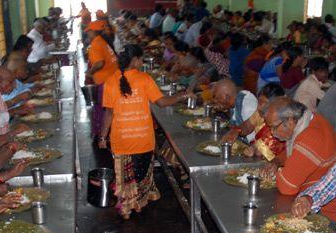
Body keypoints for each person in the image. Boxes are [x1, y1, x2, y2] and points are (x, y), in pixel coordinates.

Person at [98, 45, 191, 219]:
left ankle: (128, 207)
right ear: (134, 60)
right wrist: (182, 96)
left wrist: (103, 137)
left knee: (127, 176)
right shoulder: (144, 79)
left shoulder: (110, 81)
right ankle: (139, 203)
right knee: (141, 174)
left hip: (122, 141)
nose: (142, 63)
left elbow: (108, 113)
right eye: (141, 59)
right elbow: (162, 102)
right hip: (144, 140)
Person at [264, 98, 336, 220]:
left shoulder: (310, 137)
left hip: (324, 213)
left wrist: (279, 173)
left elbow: (286, 188)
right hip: (311, 201)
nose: (272, 133)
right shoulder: (310, 119)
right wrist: (276, 161)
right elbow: (294, 152)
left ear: (289, 121)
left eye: (273, 127)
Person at [86, 20, 118, 140]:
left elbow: (99, 63)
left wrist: (90, 72)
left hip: (105, 81)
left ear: (92, 32)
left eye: (88, 31)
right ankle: (107, 132)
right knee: (107, 108)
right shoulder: (103, 41)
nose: (87, 33)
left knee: (101, 108)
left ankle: (101, 133)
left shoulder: (96, 44)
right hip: (112, 79)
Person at [243, 83, 286, 162]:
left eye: (265, 103)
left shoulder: (282, 122)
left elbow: (261, 152)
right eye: (259, 102)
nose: (260, 107)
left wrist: (254, 148)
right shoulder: (261, 112)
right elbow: (246, 128)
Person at [212, 79, 260, 143]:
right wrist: (225, 110)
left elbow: (250, 130)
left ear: (227, 97)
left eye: (217, 98)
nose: (215, 101)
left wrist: (236, 131)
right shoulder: (233, 101)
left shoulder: (247, 103)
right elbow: (235, 118)